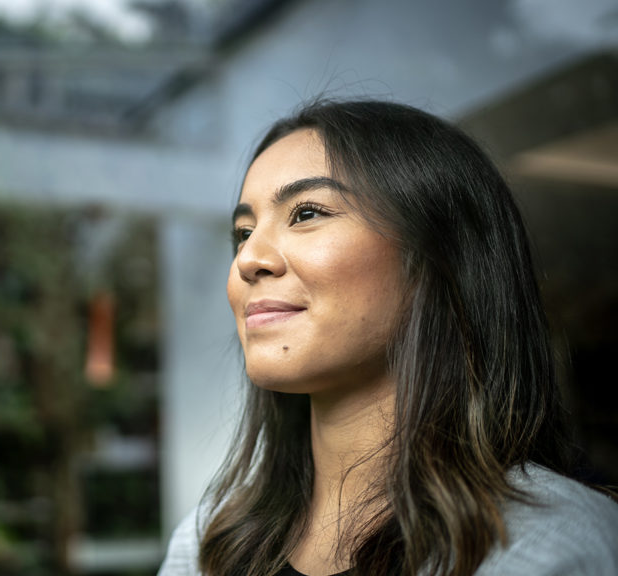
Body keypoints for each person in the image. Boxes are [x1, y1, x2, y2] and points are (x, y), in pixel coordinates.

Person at [157, 100, 618, 576]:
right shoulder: (208, 545)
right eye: (243, 231)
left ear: (438, 258)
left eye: (307, 212)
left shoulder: (548, 548)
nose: (248, 258)